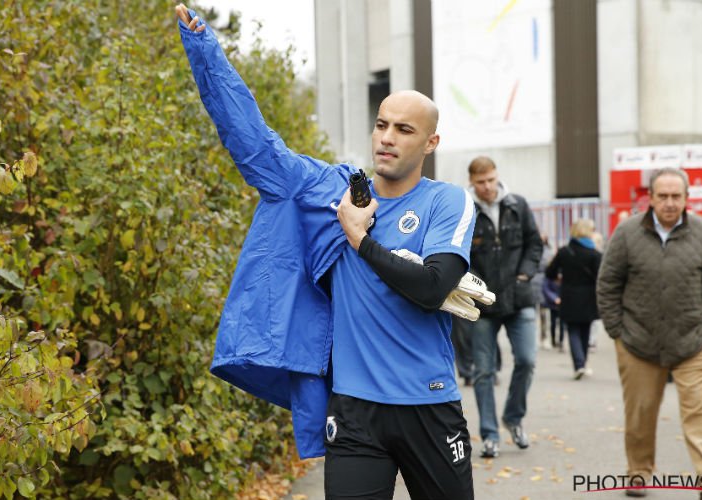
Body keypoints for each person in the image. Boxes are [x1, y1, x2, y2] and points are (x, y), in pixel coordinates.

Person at [175, 5, 479, 498]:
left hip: (428, 404)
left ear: (430, 142)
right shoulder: (330, 192)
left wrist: (360, 238)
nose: (387, 138)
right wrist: (205, 48)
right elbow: (255, 144)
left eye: (404, 130)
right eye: (382, 124)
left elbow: (430, 288)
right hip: (355, 411)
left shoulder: (447, 202)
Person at [597, 168, 702, 500]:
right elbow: (608, 284)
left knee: (699, 412)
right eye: (663, 196)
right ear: (651, 198)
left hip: (694, 343)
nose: (670, 203)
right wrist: (618, 332)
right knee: (640, 413)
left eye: (676, 196)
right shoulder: (626, 233)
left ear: (686, 198)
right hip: (638, 342)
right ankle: (639, 474)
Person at [461, 156, 543, 458]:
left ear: (497, 177)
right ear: (472, 182)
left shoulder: (517, 205)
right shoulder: (464, 211)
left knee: (527, 359)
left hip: (519, 297)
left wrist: (524, 275)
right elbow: (459, 257)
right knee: (483, 371)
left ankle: (513, 418)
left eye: (491, 180)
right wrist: (477, 287)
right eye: (480, 182)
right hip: (483, 303)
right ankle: (490, 434)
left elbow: (535, 244)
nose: (487, 187)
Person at [545, 219, 601, 379]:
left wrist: (560, 278)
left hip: (569, 295)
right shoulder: (595, 254)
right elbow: (601, 277)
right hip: (589, 296)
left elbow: (550, 272)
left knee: (573, 330)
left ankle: (579, 364)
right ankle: (583, 363)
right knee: (585, 329)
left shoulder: (564, 251)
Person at [542, 274, 565, 350]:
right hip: (552, 304)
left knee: (562, 324)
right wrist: (554, 298)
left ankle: (561, 341)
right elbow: (545, 288)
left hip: (563, 304)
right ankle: (553, 340)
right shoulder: (550, 274)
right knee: (553, 323)